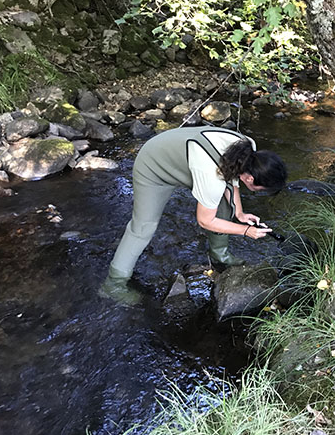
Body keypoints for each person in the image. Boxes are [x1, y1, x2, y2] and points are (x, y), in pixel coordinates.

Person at [101, 125, 288, 304]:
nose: (258, 192)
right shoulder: (211, 177)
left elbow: (232, 180)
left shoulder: (250, 150)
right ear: (251, 178)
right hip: (154, 166)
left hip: (185, 160)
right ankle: (113, 283)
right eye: (260, 188)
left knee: (225, 204)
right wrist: (246, 231)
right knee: (143, 227)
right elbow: (205, 221)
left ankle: (220, 256)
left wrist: (239, 212)